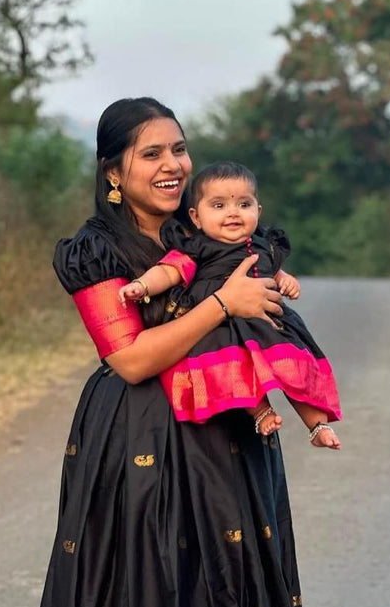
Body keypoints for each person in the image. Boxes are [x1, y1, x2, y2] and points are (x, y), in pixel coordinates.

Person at [0, 98, 328, 607]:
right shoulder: (96, 251)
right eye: (151, 154)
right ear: (114, 172)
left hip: (229, 443)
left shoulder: (205, 229)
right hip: (141, 444)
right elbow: (132, 358)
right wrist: (224, 304)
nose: (173, 166)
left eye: (179, 150)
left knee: (235, 605)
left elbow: (270, 307)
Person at [118, 160, 341, 448]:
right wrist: (143, 285)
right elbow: (169, 270)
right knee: (235, 370)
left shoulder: (263, 245)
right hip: (221, 327)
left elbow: (273, 270)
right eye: (219, 206)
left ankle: (316, 424)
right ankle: (260, 411)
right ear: (196, 217)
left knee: (294, 366)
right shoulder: (198, 248)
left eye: (244, 205)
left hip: (266, 322)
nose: (233, 213)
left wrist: (286, 280)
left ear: (258, 212)